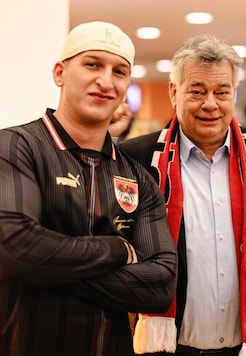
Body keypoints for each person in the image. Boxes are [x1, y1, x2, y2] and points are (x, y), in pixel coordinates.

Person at [0, 21, 177, 356]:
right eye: (92, 64)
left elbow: (160, 285)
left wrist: (44, 270)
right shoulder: (15, 147)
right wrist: (118, 250)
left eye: (119, 71)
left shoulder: (138, 178)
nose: (106, 81)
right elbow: (16, 246)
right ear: (60, 73)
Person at [119, 34, 246, 356]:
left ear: (233, 94)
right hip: (166, 345)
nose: (211, 104)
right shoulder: (134, 158)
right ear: (173, 92)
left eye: (222, 92)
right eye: (197, 91)